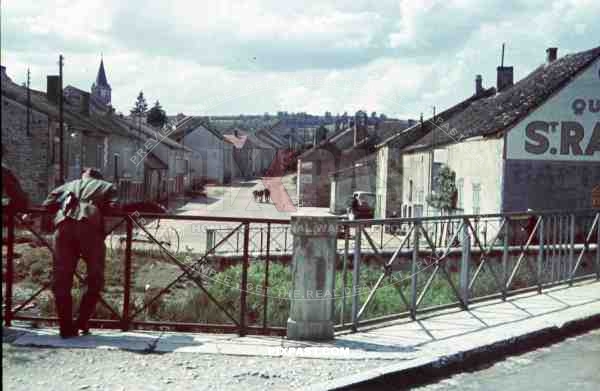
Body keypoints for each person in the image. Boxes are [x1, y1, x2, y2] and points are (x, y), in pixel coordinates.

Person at [43, 168, 119, 338]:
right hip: (89, 228)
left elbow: (47, 205)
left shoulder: (68, 185)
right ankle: (81, 321)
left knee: (61, 277)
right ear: (98, 178)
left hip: (63, 226)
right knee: (95, 276)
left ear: (83, 177)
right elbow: (114, 208)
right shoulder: (107, 186)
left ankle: (65, 327)